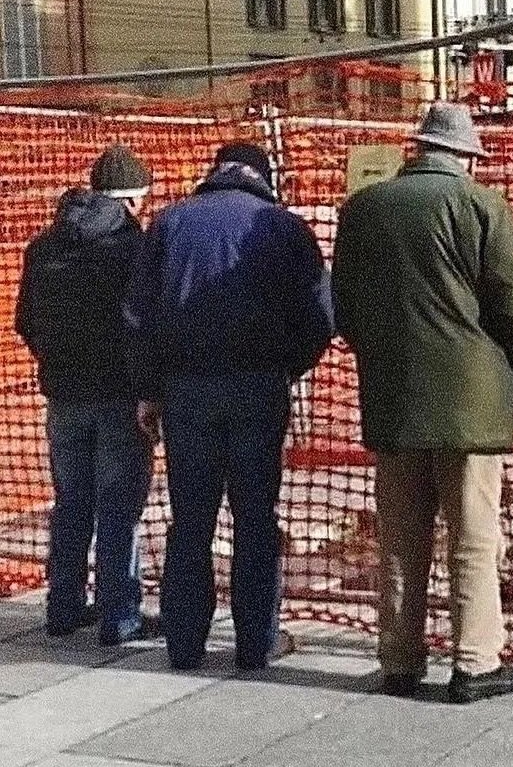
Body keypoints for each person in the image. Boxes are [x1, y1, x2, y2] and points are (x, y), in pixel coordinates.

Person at [332, 102, 513, 704]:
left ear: (416, 150)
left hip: (394, 396)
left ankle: (399, 659)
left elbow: (343, 306)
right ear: (466, 159)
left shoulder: (363, 209)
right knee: (473, 537)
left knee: (400, 534)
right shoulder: (483, 207)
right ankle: (475, 663)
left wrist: (381, 355)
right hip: (472, 401)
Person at [125, 142, 333, 672]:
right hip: (258, 390)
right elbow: (318, 315)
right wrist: (287, 367)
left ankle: (185, 643)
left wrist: (149, 391)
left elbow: (138, 317)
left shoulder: (170, 224)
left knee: (191, 520)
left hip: (187, 394)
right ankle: (256, 641)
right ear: (262, 176)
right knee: (256, 518)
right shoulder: (283, 227)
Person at [15, 145, 159, 644]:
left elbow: (26, 322)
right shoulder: (133, 247)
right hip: (120, 394)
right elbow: (143, 326)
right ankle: (120, 615)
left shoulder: (44, 246)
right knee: (120, 507)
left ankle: (64, 607)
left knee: (71, 503)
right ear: (134, 200)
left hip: (62, 394)